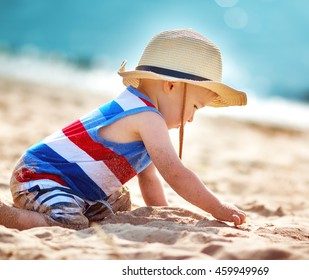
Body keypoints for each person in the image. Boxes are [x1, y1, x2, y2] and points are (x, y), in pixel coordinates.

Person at [0, 29, 247, 230]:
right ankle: (9, 216)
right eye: (194, 106)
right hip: (41, 175)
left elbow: (149, 178)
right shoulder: (147, 117)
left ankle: (44, 208)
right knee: (71, 223)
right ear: (171, 86)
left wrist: (162, 214)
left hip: (70, 184)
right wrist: (217, 207)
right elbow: (176, 173)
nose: (192, 118)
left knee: (120, 201)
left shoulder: (139, 108)